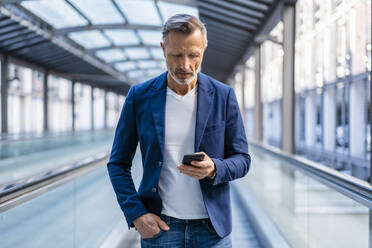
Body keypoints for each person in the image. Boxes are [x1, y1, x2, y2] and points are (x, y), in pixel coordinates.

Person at [107, 14, 251, 248]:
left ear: (204, 49)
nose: (185, 65)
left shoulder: (223, 96)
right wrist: (135, 213)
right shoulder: (139, 97)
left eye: (193, 55)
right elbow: (118, 164)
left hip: (213, 232)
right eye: (176, 55)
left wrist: (215, 168)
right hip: (160, 230)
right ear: (163, 49)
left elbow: (242, 159)